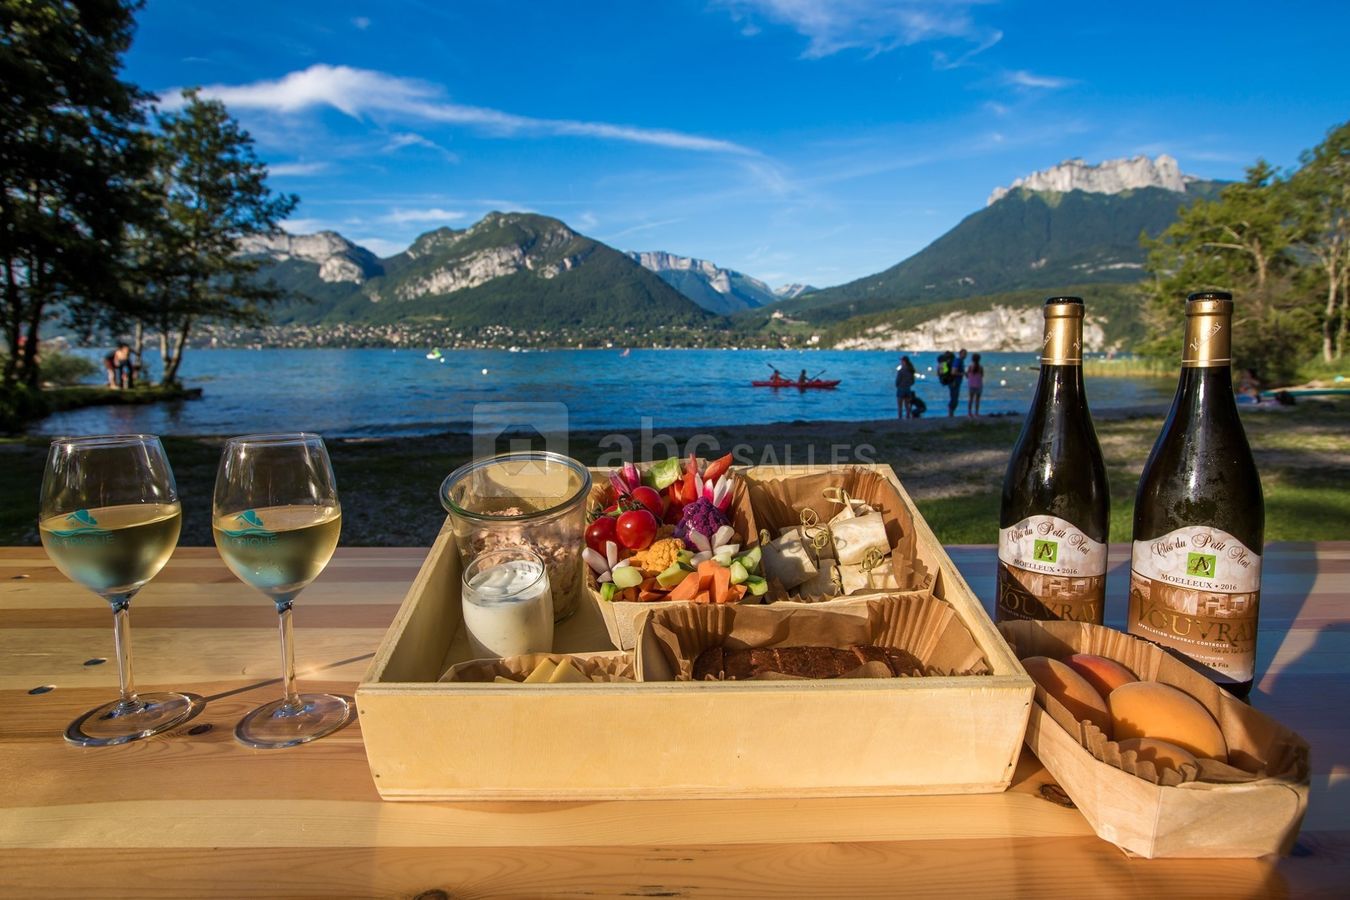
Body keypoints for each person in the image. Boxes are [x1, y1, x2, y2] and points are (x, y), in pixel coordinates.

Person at [946, 348, 967, 417]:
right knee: (954, 398)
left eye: (966, 354)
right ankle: (950, 414)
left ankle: (951, 414)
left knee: (955, 398)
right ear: (960, 354)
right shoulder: (957, 361)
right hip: (954, 382)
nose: (965, 356)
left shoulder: (960, 361)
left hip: (956, 383)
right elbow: (953, 372)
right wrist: (962, 374)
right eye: (964, 354)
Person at [966, 352, 984, 417]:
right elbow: (982, 375)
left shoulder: (970, 367)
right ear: (979, 359)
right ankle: (976, 413)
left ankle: (969, 413)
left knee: (970, 399)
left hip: (971, 385)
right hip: (979, 385)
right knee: (977, 400)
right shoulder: (980, 367)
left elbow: (967, 375)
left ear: (972, 359)